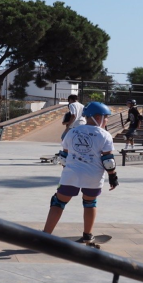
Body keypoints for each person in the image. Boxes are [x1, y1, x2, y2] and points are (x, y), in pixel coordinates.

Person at [43, 102, 119, 244]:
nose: (107, 120)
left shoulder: (73, 131)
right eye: (106, 117)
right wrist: (113, 177)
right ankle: (87, 235)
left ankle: (45, 235)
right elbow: (108, 160)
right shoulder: (105, 135)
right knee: (90, 202)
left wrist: (67, 171)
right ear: (98, 117)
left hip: (71, 175)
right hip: (93, 176)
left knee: (58, 202)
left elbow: (63, 155)